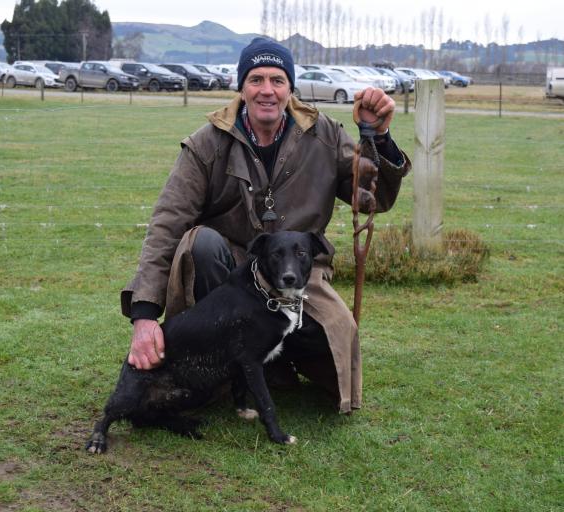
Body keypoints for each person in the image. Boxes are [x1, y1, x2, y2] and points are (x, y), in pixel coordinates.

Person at [121, 37, 411, 412]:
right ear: (241, 86)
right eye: (256, 79)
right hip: (233, 272)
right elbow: (166, 225)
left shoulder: (324, 135)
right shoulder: (206, 144)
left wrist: (378, 139)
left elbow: (373, 199)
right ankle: (218, 370)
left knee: (336, 332)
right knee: (200, 246)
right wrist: (144, 316)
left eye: (277, 79)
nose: (267, 91)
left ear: (291, 87)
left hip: (301, 271)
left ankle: (276, 363)